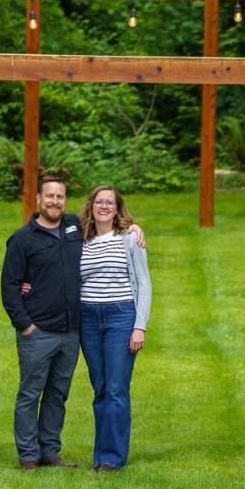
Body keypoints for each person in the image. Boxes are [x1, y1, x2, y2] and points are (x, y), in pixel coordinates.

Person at [0, 175, 144, 471]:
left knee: (58, 395)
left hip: (72, 331)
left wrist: (133, 226)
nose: (54, 201)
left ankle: (50, 453)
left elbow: (109, 223)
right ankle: (28, 456)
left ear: (66, 200)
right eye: (49, 196)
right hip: (38, 330)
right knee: (31, 393)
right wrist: (25, 325)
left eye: (60, 196)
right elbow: (10, 287)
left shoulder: (75, 229)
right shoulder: (22, 239)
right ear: (38, 199)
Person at [76, 185, 151, 472]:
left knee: (117, 388)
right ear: (91, 206)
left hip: (121, 317)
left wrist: (139, 326)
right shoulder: (80, 239)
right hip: (87, 319)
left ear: (118, 209)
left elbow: (144, 283)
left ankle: (112, 458)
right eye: (99, 201)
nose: (104, 206)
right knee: (100, 388)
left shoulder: (130, 238)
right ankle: (99, 455)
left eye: (110, 202)